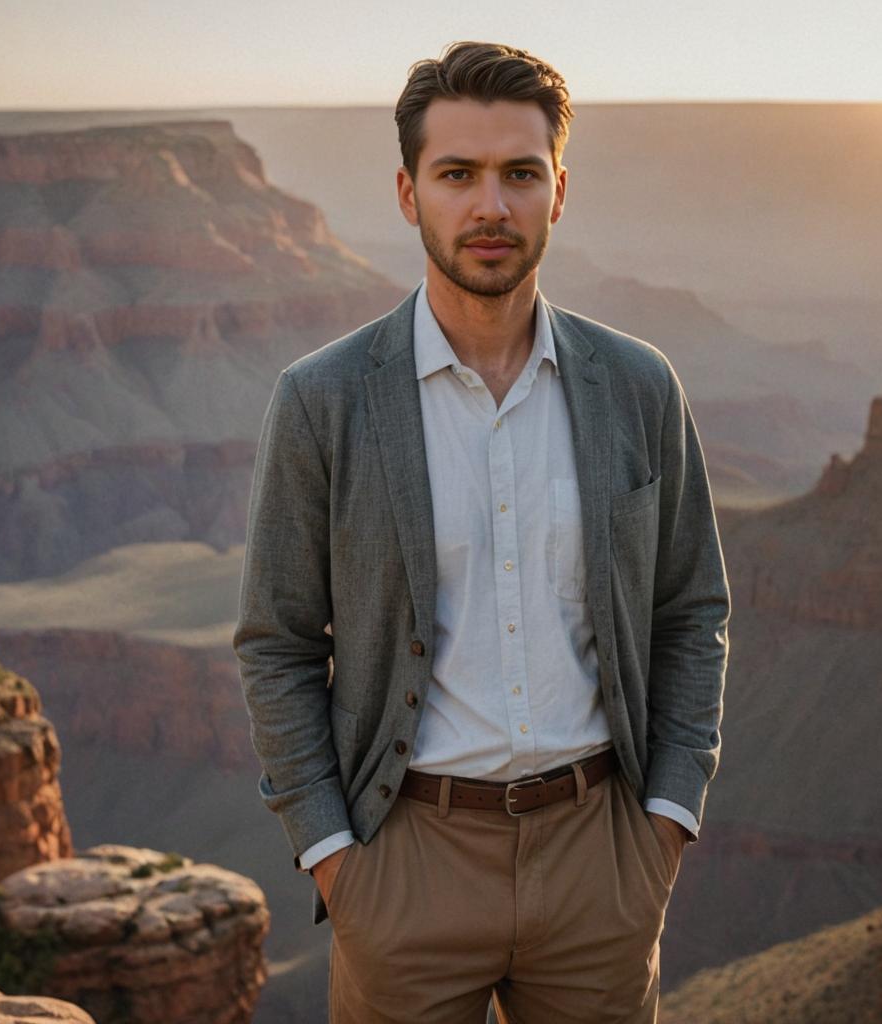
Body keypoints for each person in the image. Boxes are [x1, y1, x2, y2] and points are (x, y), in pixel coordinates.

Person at [233, 40, 730, 1024]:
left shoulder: (637, 387)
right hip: (405, 860)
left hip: (601, 860)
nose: (489, 206)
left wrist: (665, 824)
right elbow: (278, 644)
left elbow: (691, 611)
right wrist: (337, 861)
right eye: (456, 174)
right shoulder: (322, 399)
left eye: (519, 174)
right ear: (409, 192)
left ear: (559, 189)